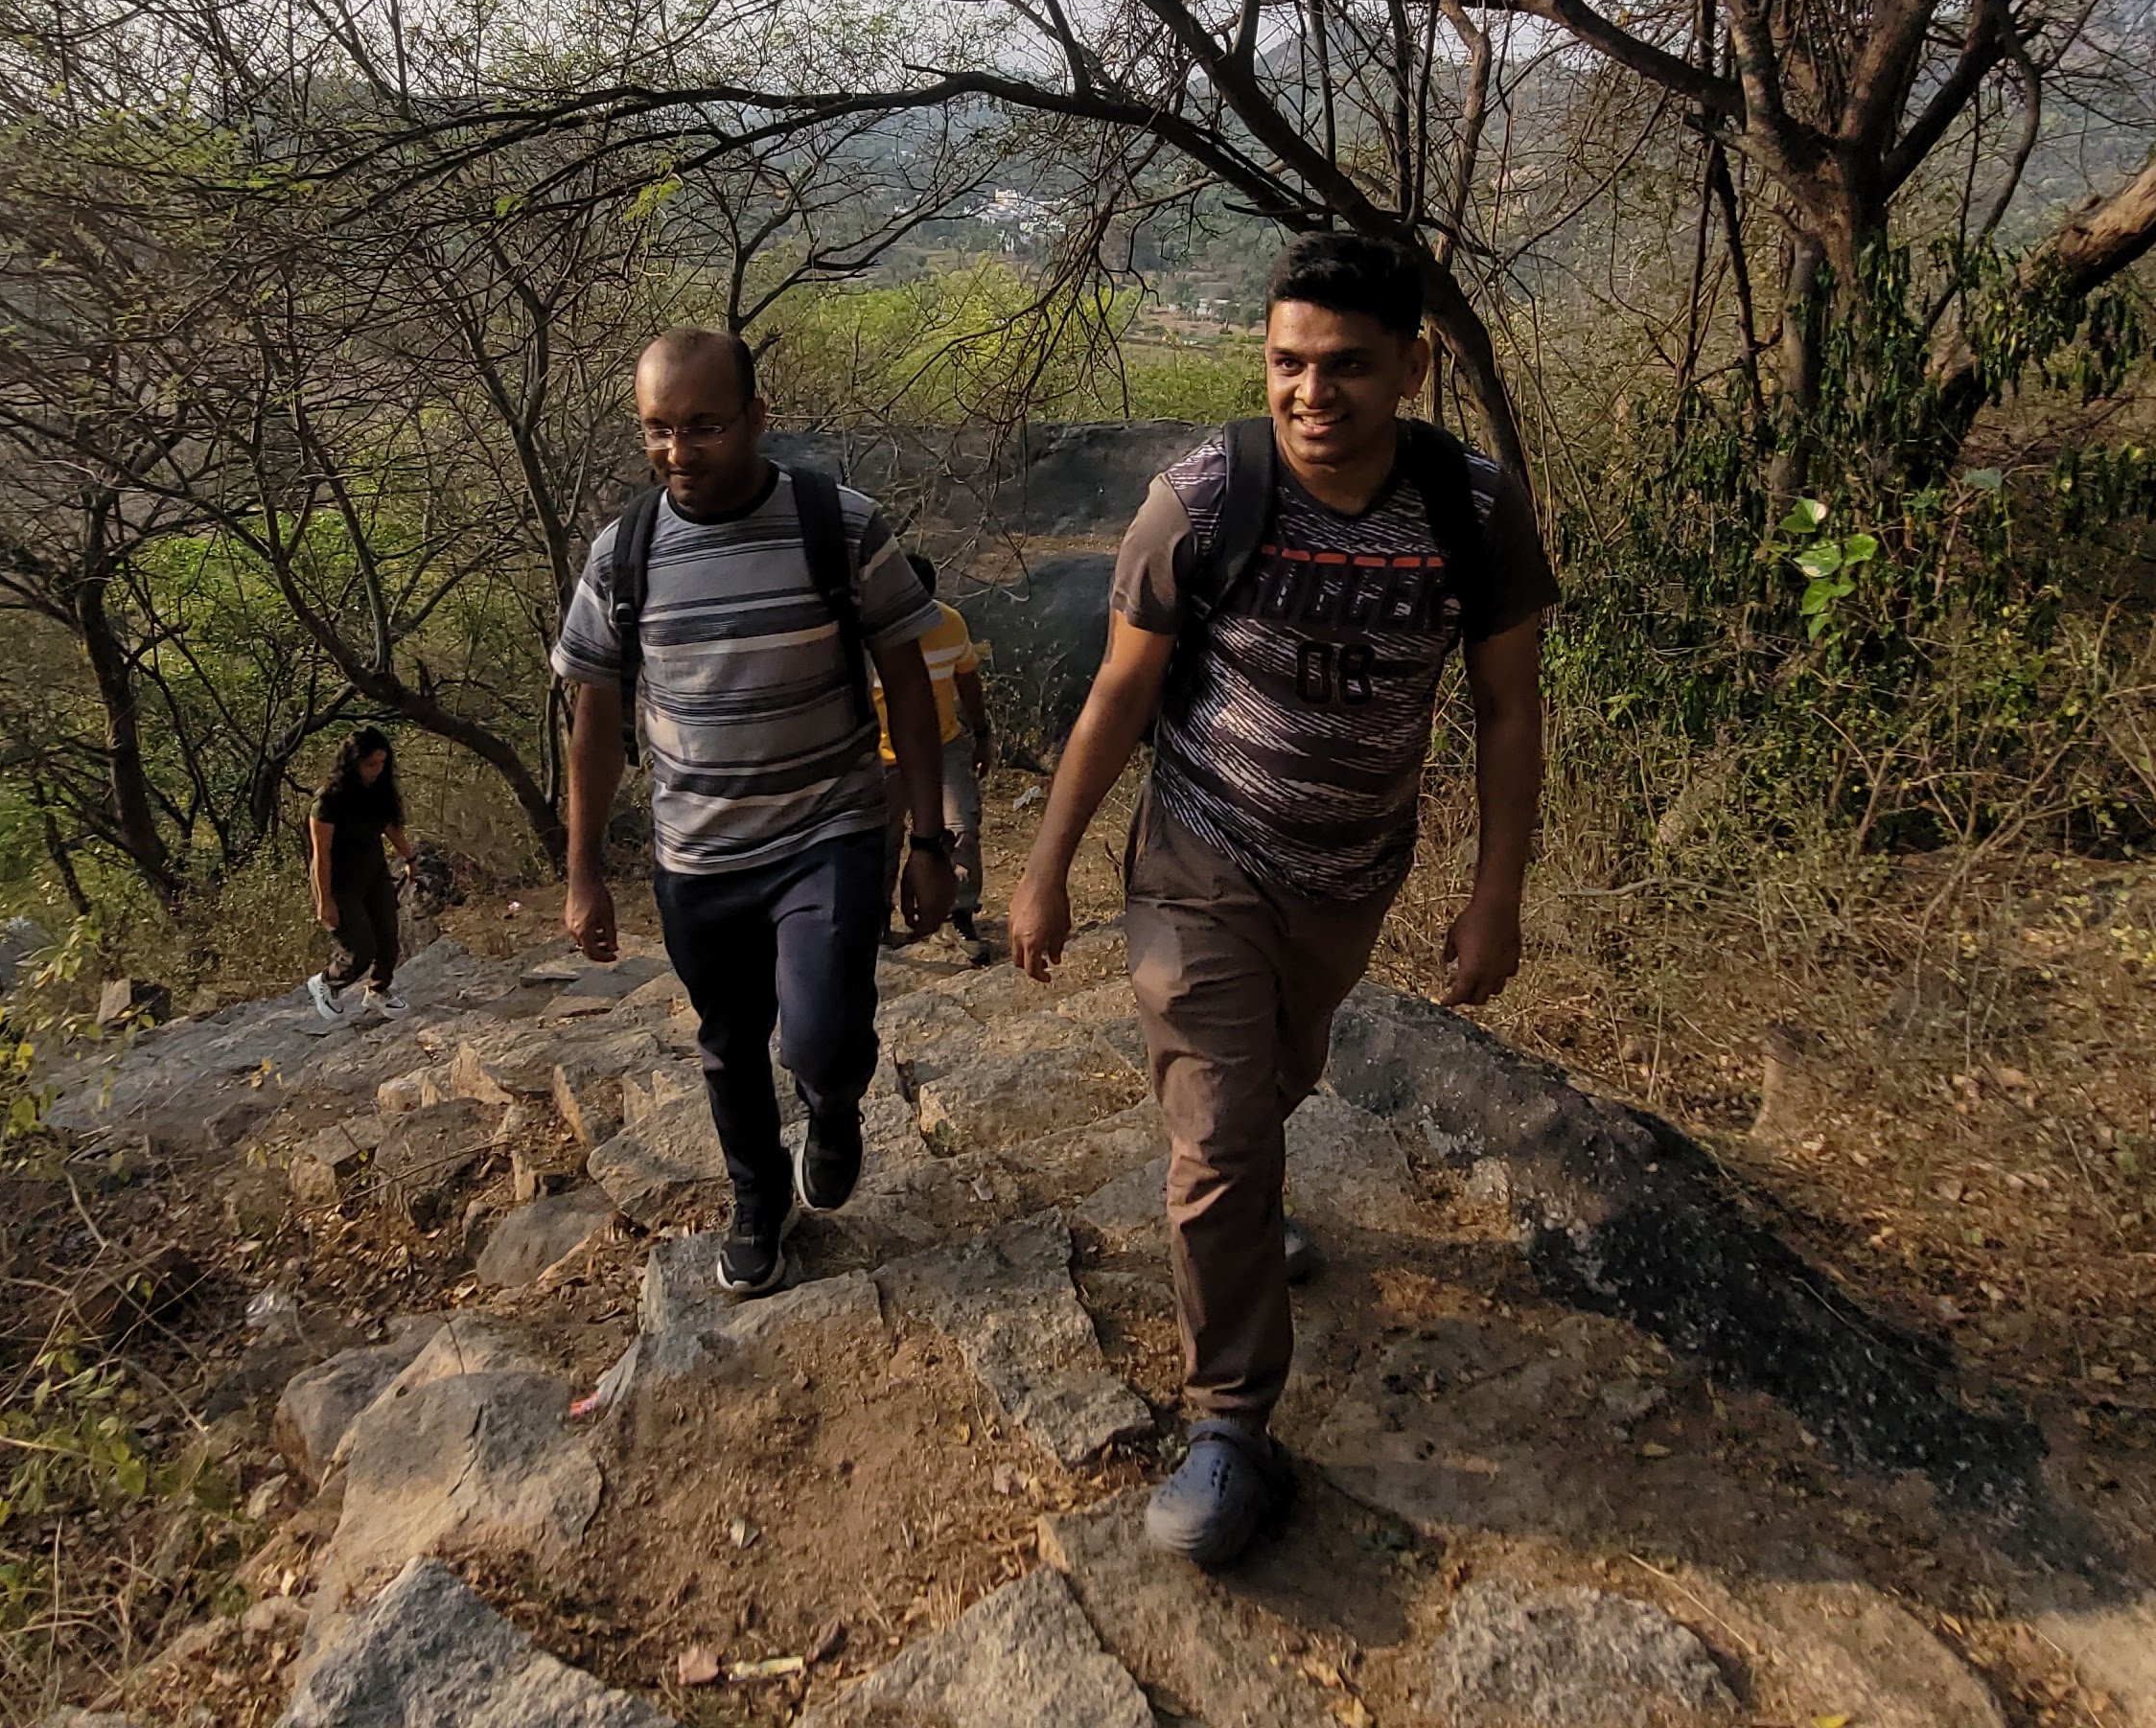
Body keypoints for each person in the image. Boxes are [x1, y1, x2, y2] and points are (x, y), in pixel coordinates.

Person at [1008, 232, 1556, 1568]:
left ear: (1414, 366)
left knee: (1274, 1085)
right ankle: (1231, 1423)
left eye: (1350, 367)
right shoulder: (1202, 498)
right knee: (1216, 1135)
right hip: (1200, 860)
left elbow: (1505, 709)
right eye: (1288, 365)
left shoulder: (1472, 513)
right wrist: (1047, 866)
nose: (1314, 395)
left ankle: (1252, 1202)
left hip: (1351, 873)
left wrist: (1497, 896)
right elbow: (1121, 695)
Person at [554, 329, 959, 1300]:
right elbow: (596, 723)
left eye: (702, 425)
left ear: (755, 417)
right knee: (729, 1042)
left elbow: (907, 683)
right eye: (657, 429)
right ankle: (756, 1198)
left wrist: (931, 840)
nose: (678, 451)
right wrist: (582, 871)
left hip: (830, 832)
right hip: (697, 856)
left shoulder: (840, 525)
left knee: (819, 1033)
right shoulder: (624, 557)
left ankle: (833, 1102)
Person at [873, 554, 993, 941]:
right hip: (882, 756)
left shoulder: (949, 624)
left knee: (961, 828)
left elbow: (968, 679)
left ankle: (959, 914)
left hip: (943, 744)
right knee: (881, 841)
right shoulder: (867, 636)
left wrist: (982, 733)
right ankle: (878, 925)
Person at [307, 727, 418, 1025]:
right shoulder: (328, 801)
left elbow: (390, 827)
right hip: (339, 882)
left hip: (374, 874)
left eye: (382, 764)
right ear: (353, 762)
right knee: (360, 949)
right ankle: (326, 983)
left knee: (388, 940)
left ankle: (378, 991)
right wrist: (325, 901)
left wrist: (410, 859)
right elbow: (322, 854)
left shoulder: (378, 793)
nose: (377, 770)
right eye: (370, 764)